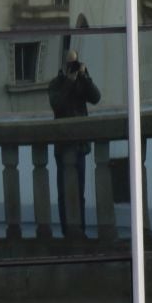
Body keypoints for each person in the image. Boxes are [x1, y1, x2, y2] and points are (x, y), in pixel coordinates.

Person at [47, 49, 100, 240]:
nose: (73, 67)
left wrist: (85, 77)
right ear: (63, 65)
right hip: (63, 147)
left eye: (75, 63)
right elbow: (57, 104)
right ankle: (66, 231)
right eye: (70, 64)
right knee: (64, 192)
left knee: (80, 192)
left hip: (80, 145)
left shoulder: (81, 81)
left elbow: (96, 97)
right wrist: (69, 81)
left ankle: (81, 230)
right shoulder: (56, 84)